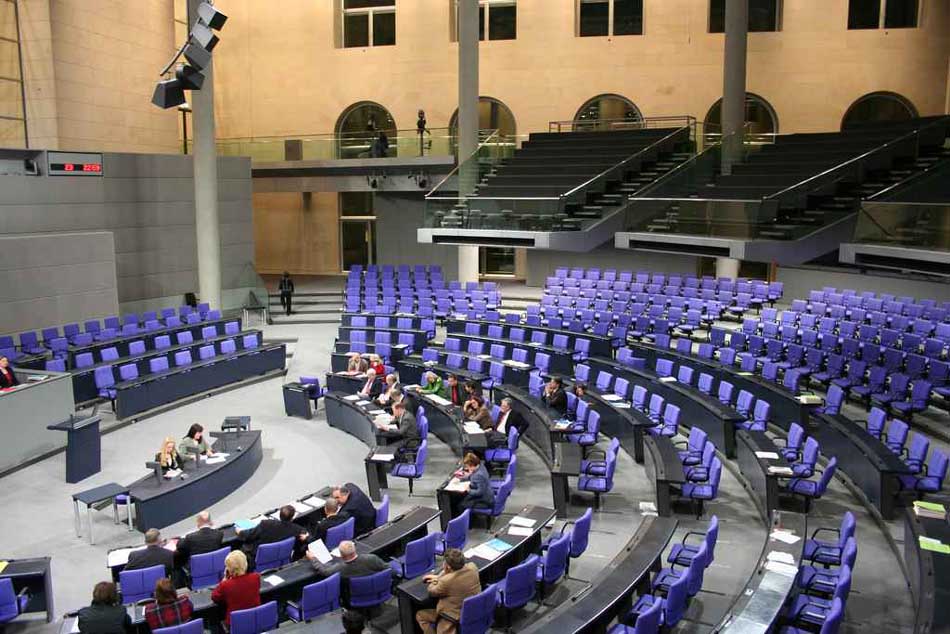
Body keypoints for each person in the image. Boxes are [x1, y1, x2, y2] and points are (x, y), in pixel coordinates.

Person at [416, 549, 481, 634]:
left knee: (420, 615)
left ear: (448, 566)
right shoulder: (473, 567)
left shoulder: (446, 582)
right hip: (473, 611)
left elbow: (431, 591)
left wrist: (436, 580)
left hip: (453, 616)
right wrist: (440, 577)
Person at [237, 505, 309, 567]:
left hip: (258, 560)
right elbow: (306, 534)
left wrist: (239, 531)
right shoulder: (297, 530)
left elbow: (248, 535)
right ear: (292, 517)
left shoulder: (266, 524)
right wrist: (307, 536)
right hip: (280, 561)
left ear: (279, 514)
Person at [211, 551, 261, 629]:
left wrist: (224, 579)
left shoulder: (226, 585)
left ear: (229, 570)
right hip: (255, 619)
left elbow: (214, 597)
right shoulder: (256, 577)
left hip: (235, 624)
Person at [306, 540, 389, 579]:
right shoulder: (371, 558)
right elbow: (387, 568)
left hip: (354, 595)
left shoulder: (339, 569)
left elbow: (324, 571)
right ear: (355, 549)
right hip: (377, 588)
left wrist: (313, 558)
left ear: (341, 555)